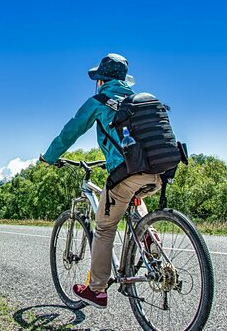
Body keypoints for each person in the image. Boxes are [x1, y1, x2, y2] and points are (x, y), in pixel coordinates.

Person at [40, 53, 162, 309]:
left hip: (126, 173)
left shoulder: (100, 101)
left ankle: (96, 290)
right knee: (132, 197)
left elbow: (70, 132)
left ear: (101, 80)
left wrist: (50, 157)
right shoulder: (138, 101)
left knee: (105, 227)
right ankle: (149, 236)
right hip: (157, 172)